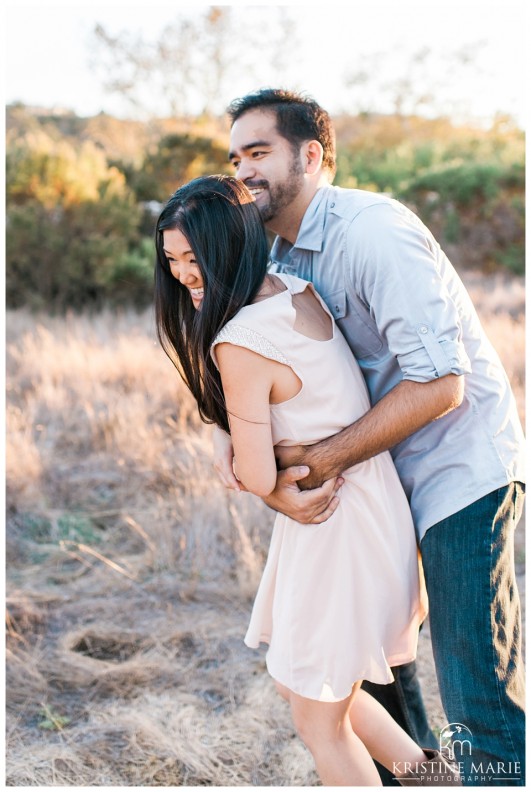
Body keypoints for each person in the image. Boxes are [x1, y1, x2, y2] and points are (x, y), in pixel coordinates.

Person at [212, 89, 526, 787]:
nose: (244, 170)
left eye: (259, 152)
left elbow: (440, 386)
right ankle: (426, 781)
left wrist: (319, 462)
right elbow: (239, 356)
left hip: (454, 471)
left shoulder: (372, 233)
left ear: (310, 156)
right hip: (372, 485)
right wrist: (227, 440)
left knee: (475, 689)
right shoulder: (268, 254)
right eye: (235, 158)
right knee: (372, 671)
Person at [154, 175, 461, 786]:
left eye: (195, 258)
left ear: (231, 247)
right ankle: (435, 781)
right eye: (172, 260)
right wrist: (240, 437)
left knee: (319, 720)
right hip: (368, 508)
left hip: (333, 523)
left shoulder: (239, 341)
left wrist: (252, 459)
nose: (185, 275)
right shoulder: (295, 289)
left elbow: (257, 473)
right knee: (313, 691)